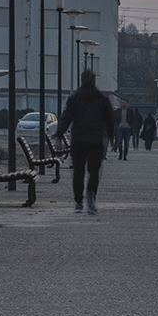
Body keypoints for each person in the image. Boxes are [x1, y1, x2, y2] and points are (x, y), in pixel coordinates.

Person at [56, 70, 114, 214]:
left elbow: (66, 117)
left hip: (78, 140)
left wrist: (58, 135)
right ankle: (91, 193)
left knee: (78, 171)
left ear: (81, 80)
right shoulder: (102, 99)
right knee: (94, 171)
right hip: (95, 140)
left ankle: (78, 202)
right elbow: (110, 120)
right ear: (94, 81)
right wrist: (112, 138)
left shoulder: (74, 98)